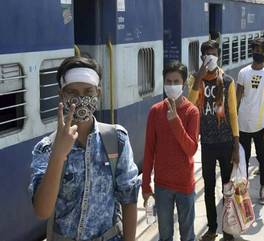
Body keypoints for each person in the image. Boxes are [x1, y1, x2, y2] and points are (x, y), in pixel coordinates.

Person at [29, 56, 140, 241]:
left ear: (98, 93)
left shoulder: (116, 139)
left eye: (88, 91)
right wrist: (58, 155)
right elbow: (42, 211)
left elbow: (128, 199)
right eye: (73, 92)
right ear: (61, 95)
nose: (80, 99)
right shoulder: (46, 148)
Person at [142, 61, 200, 241]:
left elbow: (190, 150)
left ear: (183, 84)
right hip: (162, 186)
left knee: (187, 235)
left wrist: (175, 122)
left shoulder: (192, 112)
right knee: (165, 235)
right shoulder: (155, 111)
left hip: (185, 185)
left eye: (176, 81)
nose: (172, 85)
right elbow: (149, 150)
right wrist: (145, 185)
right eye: (169, 81)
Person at [188, 40, 239, 241]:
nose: (210, 57)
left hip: (226, 142)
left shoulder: (227, 81)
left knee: (228, 188)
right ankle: (212, 228)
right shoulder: (195, 80)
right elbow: (190, 105)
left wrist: (236, 145)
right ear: (201, 57)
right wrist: (199, 78)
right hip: (207, 143)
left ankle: (228, 228)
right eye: (207, 54)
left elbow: (233, 113)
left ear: (219, 56)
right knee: (208, 187)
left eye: (213, 53)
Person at [237, 38, 264, 205]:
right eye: (256, 50)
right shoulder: (243, 73)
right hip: (242, 125)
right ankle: (244, 189)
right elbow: (237, 98)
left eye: (261, 50)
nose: (258, 53)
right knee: (243, 159)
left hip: (260, 125)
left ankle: (263, 188)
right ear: (252, 52)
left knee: (262, 158)